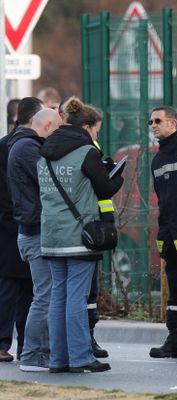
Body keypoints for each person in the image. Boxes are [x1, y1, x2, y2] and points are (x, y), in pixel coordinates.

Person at [38, 97, 123, 373]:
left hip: (51, 234)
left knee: (58, 298)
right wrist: (118, 174)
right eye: (96, 129)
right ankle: (80, 357)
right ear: (86, 127)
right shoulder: (87, 151)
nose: (96, 135)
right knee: (76, 298)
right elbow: (106, 188)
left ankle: (58, 359)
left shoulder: (44, 151)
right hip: (79, 235)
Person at [7, 106, 61, 372]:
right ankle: (32, 355)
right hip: (35, 232)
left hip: (31, 231)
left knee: (43, 295)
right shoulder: (28, 148)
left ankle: (40, 353)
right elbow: (50, 180)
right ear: (48, 126)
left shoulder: (23, 146)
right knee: (44, 296)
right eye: (58, 129)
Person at [148, 106, 177, 359]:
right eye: (151, 121)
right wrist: (163, 234)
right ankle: (176, 340)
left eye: (158, 120)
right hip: (172, 234)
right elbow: (163, 201)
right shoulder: (158, 160)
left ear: (173, 123)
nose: (153, 125)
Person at [0, 101, 37, 363]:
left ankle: (18, 344)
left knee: (17, 285)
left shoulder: (8, 144)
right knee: (18, 285)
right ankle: (19, 343)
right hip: (15, 223)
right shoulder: (25, 146)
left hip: (12, 222)